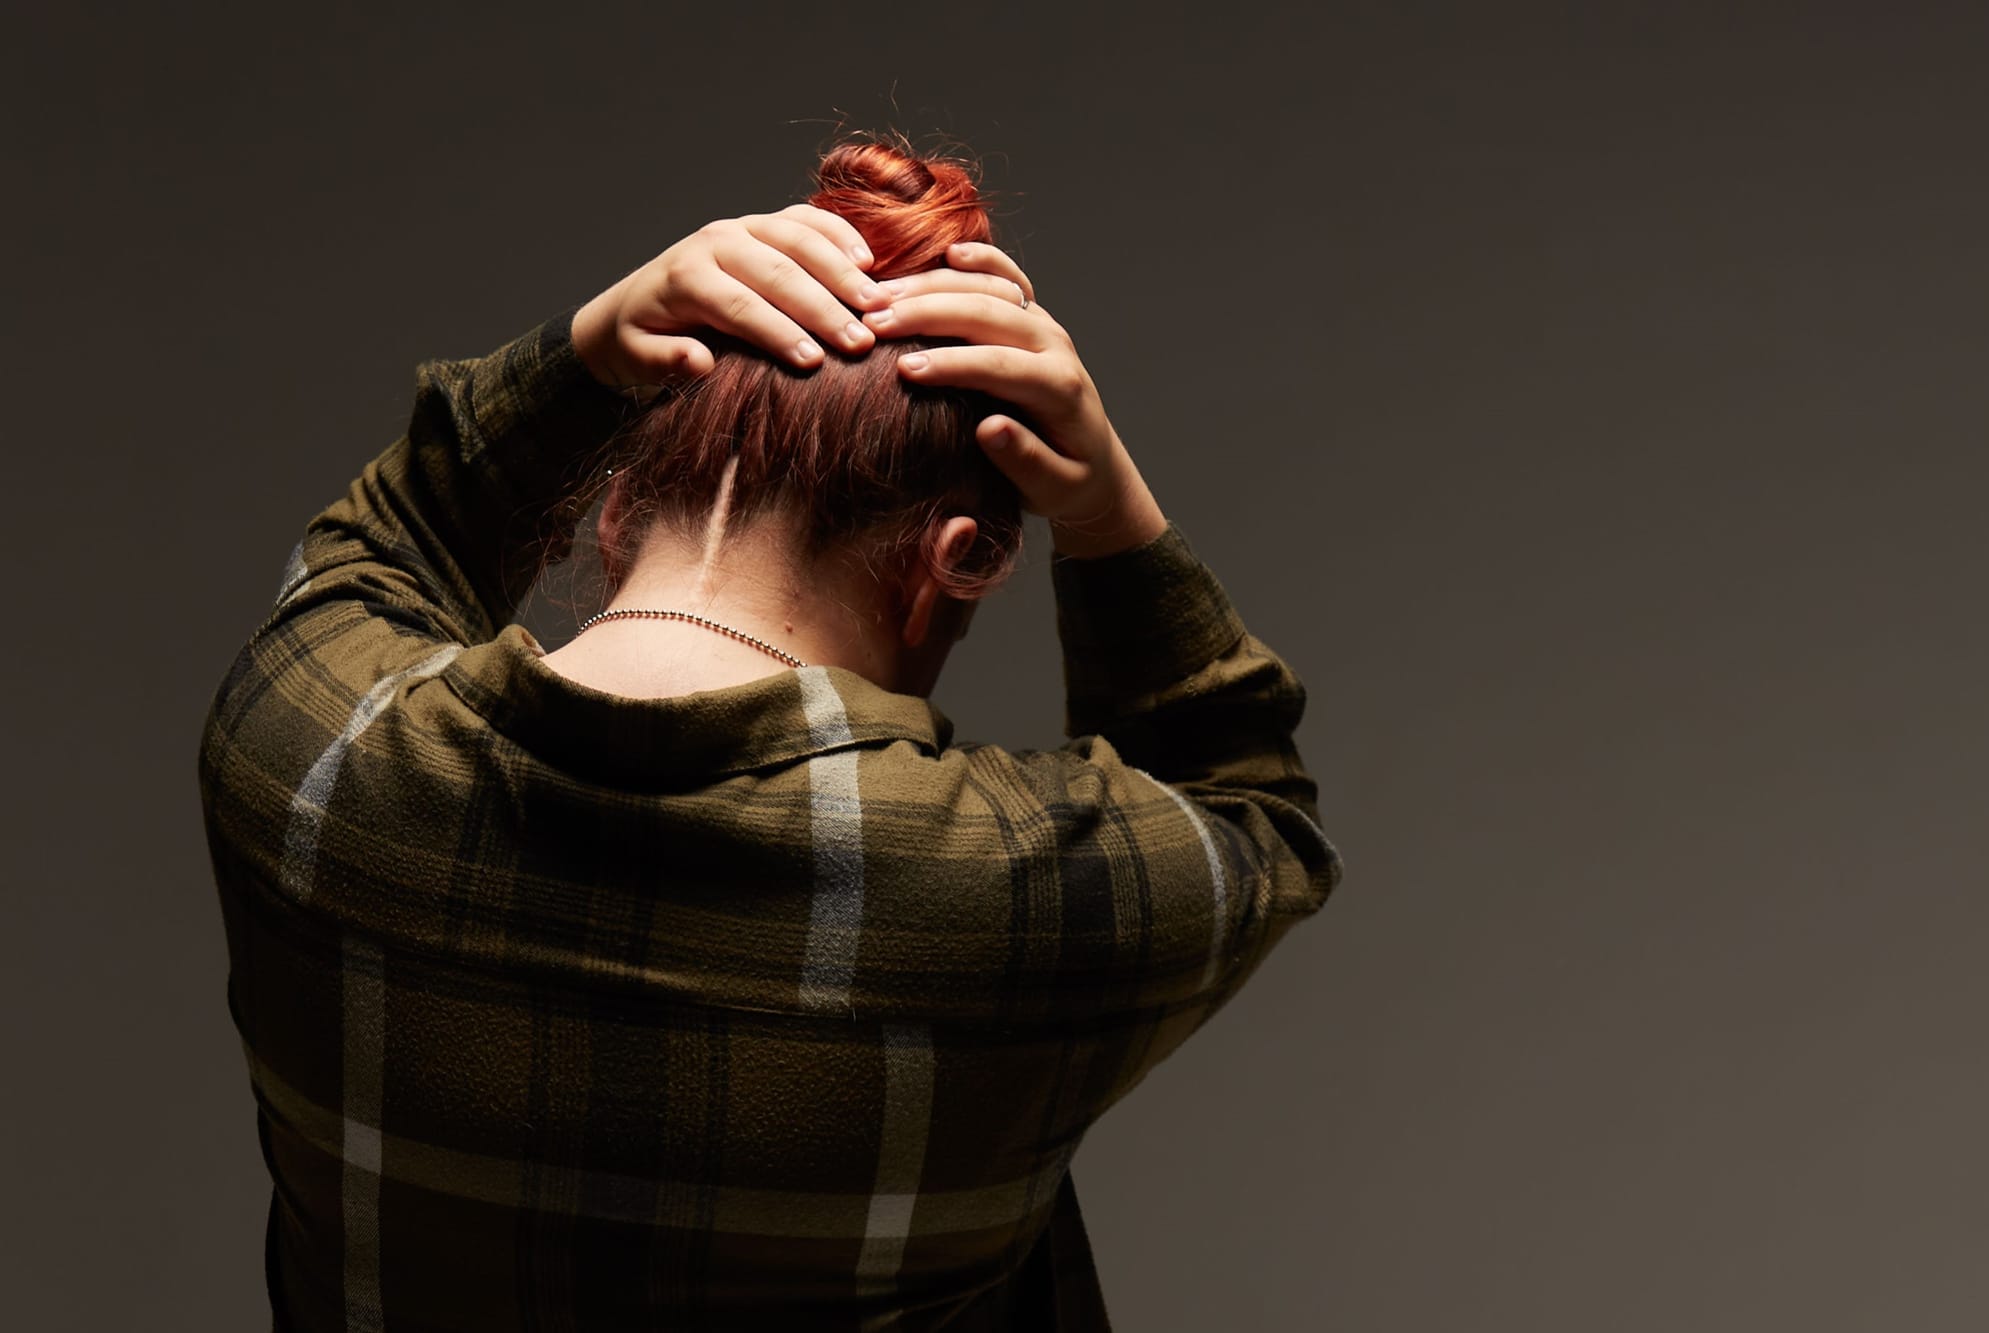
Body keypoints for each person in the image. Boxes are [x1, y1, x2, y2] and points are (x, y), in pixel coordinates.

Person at [197, 131, 1344, 1331]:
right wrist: (1107, 511)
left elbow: (384, 544)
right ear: (953, 564)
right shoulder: (1012, 899)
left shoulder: (307, 760)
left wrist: (585, 354)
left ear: (616, 512)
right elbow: (1246, 804)